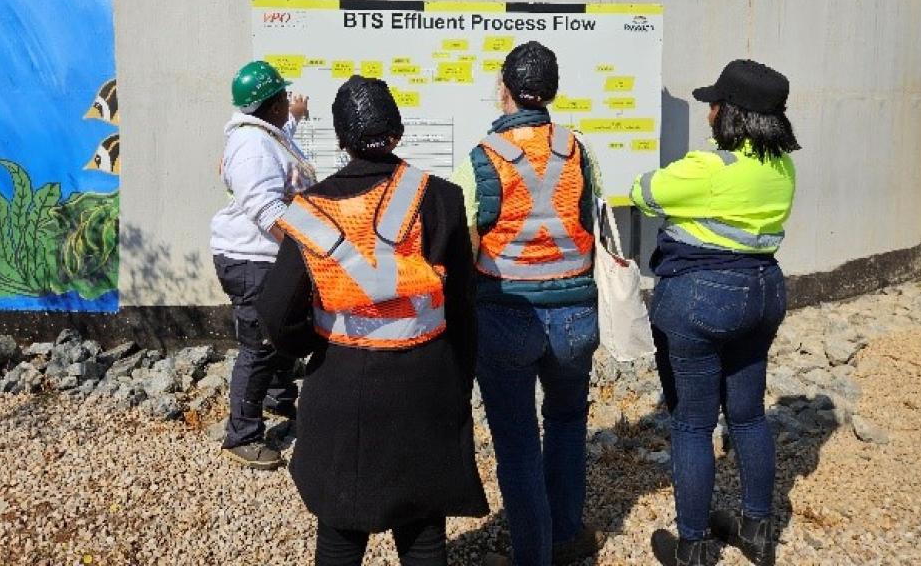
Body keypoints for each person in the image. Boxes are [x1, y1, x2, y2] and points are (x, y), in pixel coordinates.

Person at [257, 75, 488, 566]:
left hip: (341, 387)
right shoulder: (442, 199)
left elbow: (276, 314)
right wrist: (456, 381)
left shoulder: (311, 211)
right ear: (398, 132)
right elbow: (465, 308)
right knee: (424, 534)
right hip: (425, 385)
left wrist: (315, 343)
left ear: (341, 139)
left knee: (340, 535)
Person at [631, 60, 799, 566]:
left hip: (703, 297)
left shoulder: (709, 167)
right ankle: (756, 531)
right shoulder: (782, 166)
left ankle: (694, 546)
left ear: (731, 113)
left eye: (713, 103)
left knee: (693, 423)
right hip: (763, 291)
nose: (708, 111)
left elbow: (644, 193)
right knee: (748, 416)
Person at [452, 40, 605, 566]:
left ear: (505, 91)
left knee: (517, 441)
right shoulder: (578, 150)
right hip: (576, 312)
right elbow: (593, 219)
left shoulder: (481, 158)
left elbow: (465, 238)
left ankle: (532, 555)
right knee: (566, 421)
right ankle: (565, 535)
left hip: (505, 315)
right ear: (552, 93)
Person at [210, 59, 316, 469]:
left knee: (282, 329)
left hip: (265, 256)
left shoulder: (263, 132)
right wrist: (309, 246)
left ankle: (275, 397)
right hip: (252, 258)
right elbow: (266, 208)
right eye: (283, 99)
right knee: (259, 344)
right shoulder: (252, 146)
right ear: (270, 105)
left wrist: (297, 117)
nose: (288, 103)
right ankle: (242, 434)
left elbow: (280, 144)